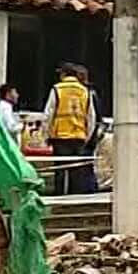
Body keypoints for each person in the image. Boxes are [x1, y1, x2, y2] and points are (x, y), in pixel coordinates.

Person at [43, 63, 98, 196]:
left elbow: (48, 114)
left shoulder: (57, 89)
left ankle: (59, 197)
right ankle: (73, 199)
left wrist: (47, 134)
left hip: (60, 136)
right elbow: (91, 117)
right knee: (76, 171)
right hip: (79, 137)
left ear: (63, 74)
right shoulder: (85, 91)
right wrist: (87, 136)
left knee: (60, 170)